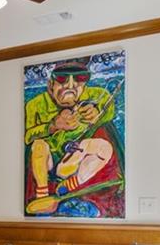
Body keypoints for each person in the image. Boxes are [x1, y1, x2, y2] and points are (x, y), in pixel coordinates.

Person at [24, 60, 116, 213]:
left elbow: (109, 106)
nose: (71, 85)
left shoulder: (95, 95)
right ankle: (43, 196)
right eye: (62, 79)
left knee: (103, 147)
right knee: (39, 145)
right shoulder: (35, 105)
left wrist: (97, 112)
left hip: (72, 159)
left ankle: (71, 184)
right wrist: (53, 126)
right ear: (50, 85)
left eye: (79, 79)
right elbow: (27, 137)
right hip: (47, 161)